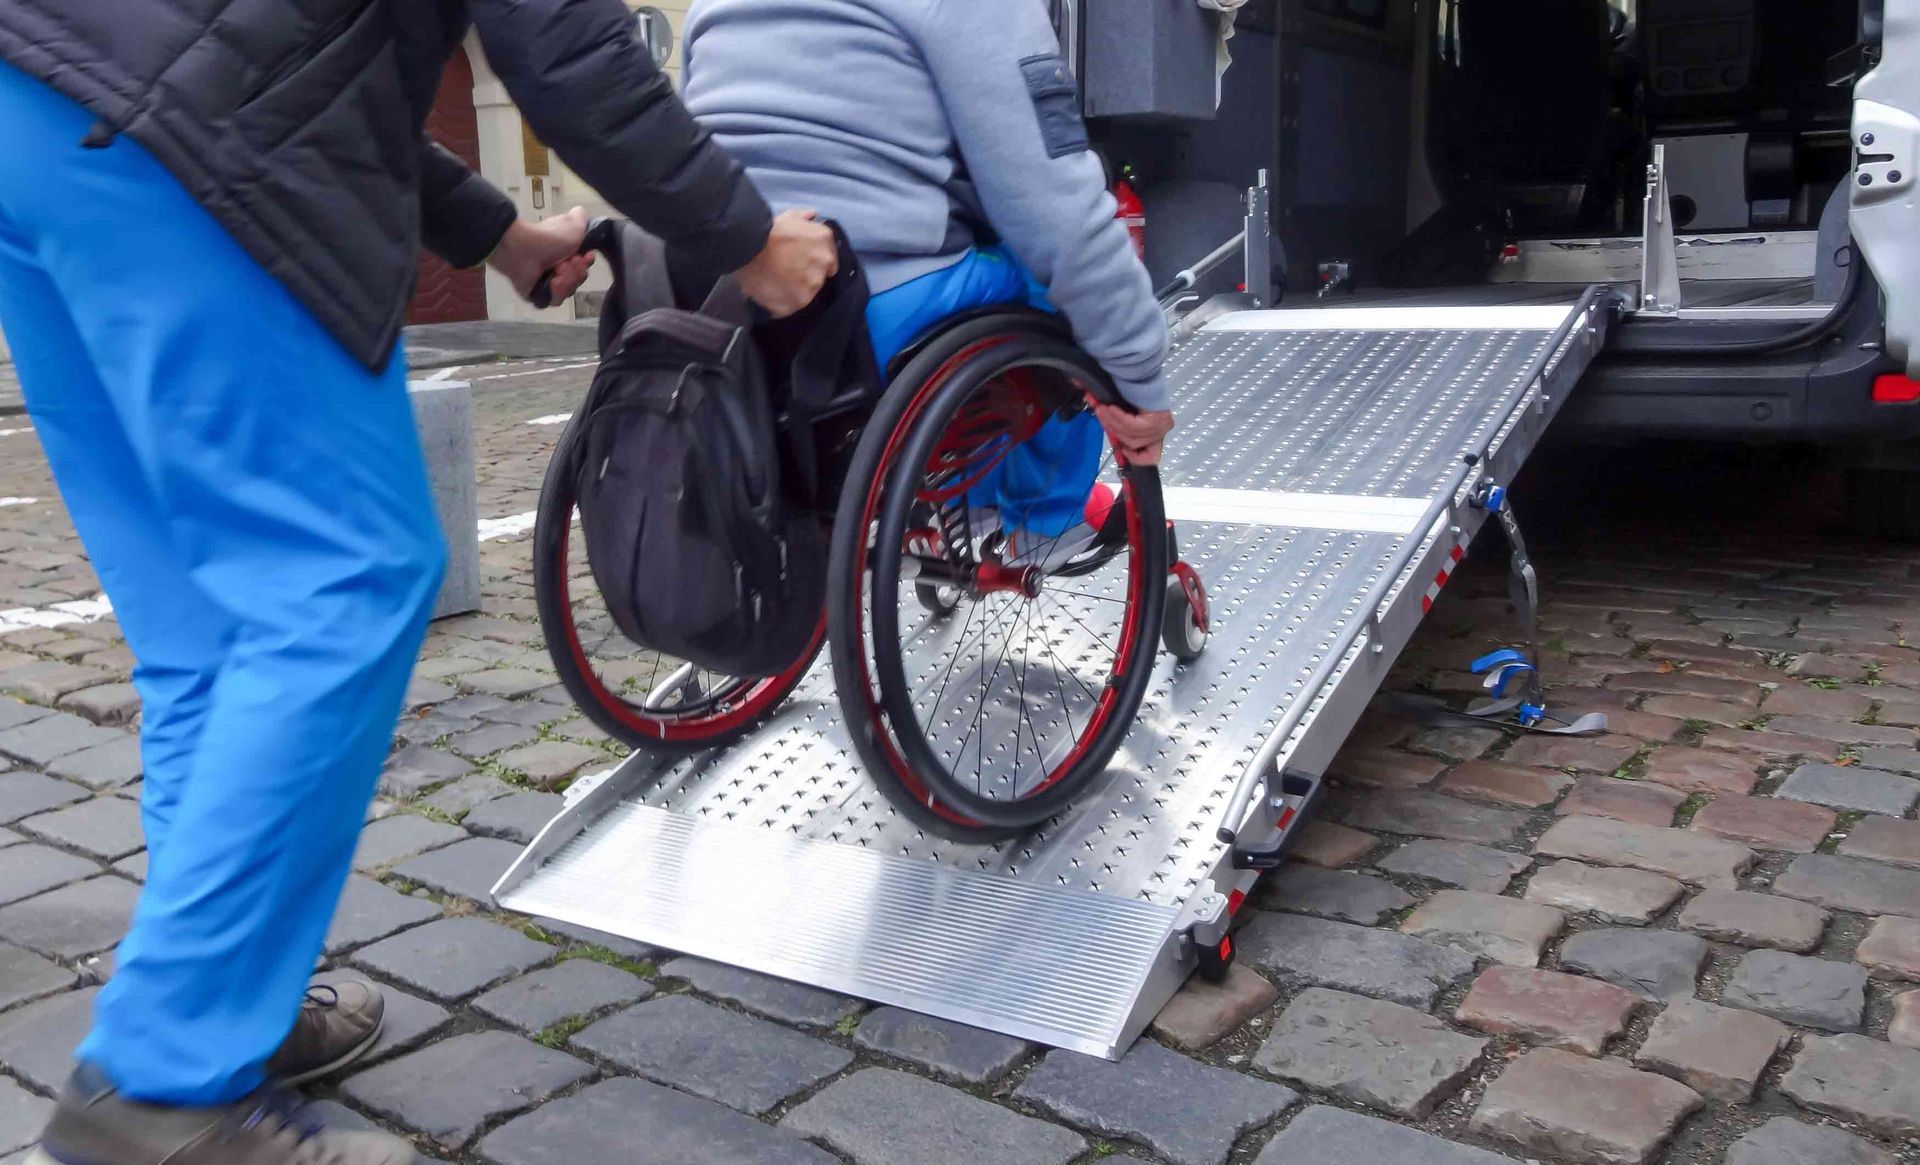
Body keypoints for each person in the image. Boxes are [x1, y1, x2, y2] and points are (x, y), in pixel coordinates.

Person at [0, 1, 837, 1162]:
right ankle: (162, 1083)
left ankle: (224, 996)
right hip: (183, 145)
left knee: (203, 634)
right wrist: (746, 237)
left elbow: (312, 48)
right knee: (342, 581)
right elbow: (566, 46)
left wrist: (498, 233)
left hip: (36, 113)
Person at [683, 0, 1177, 567]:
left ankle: (970, 501)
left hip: (722, 308)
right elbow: (1058, 213)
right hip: (862, 315)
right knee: (1061, 287)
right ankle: (1043, 519)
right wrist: (1139, 377)